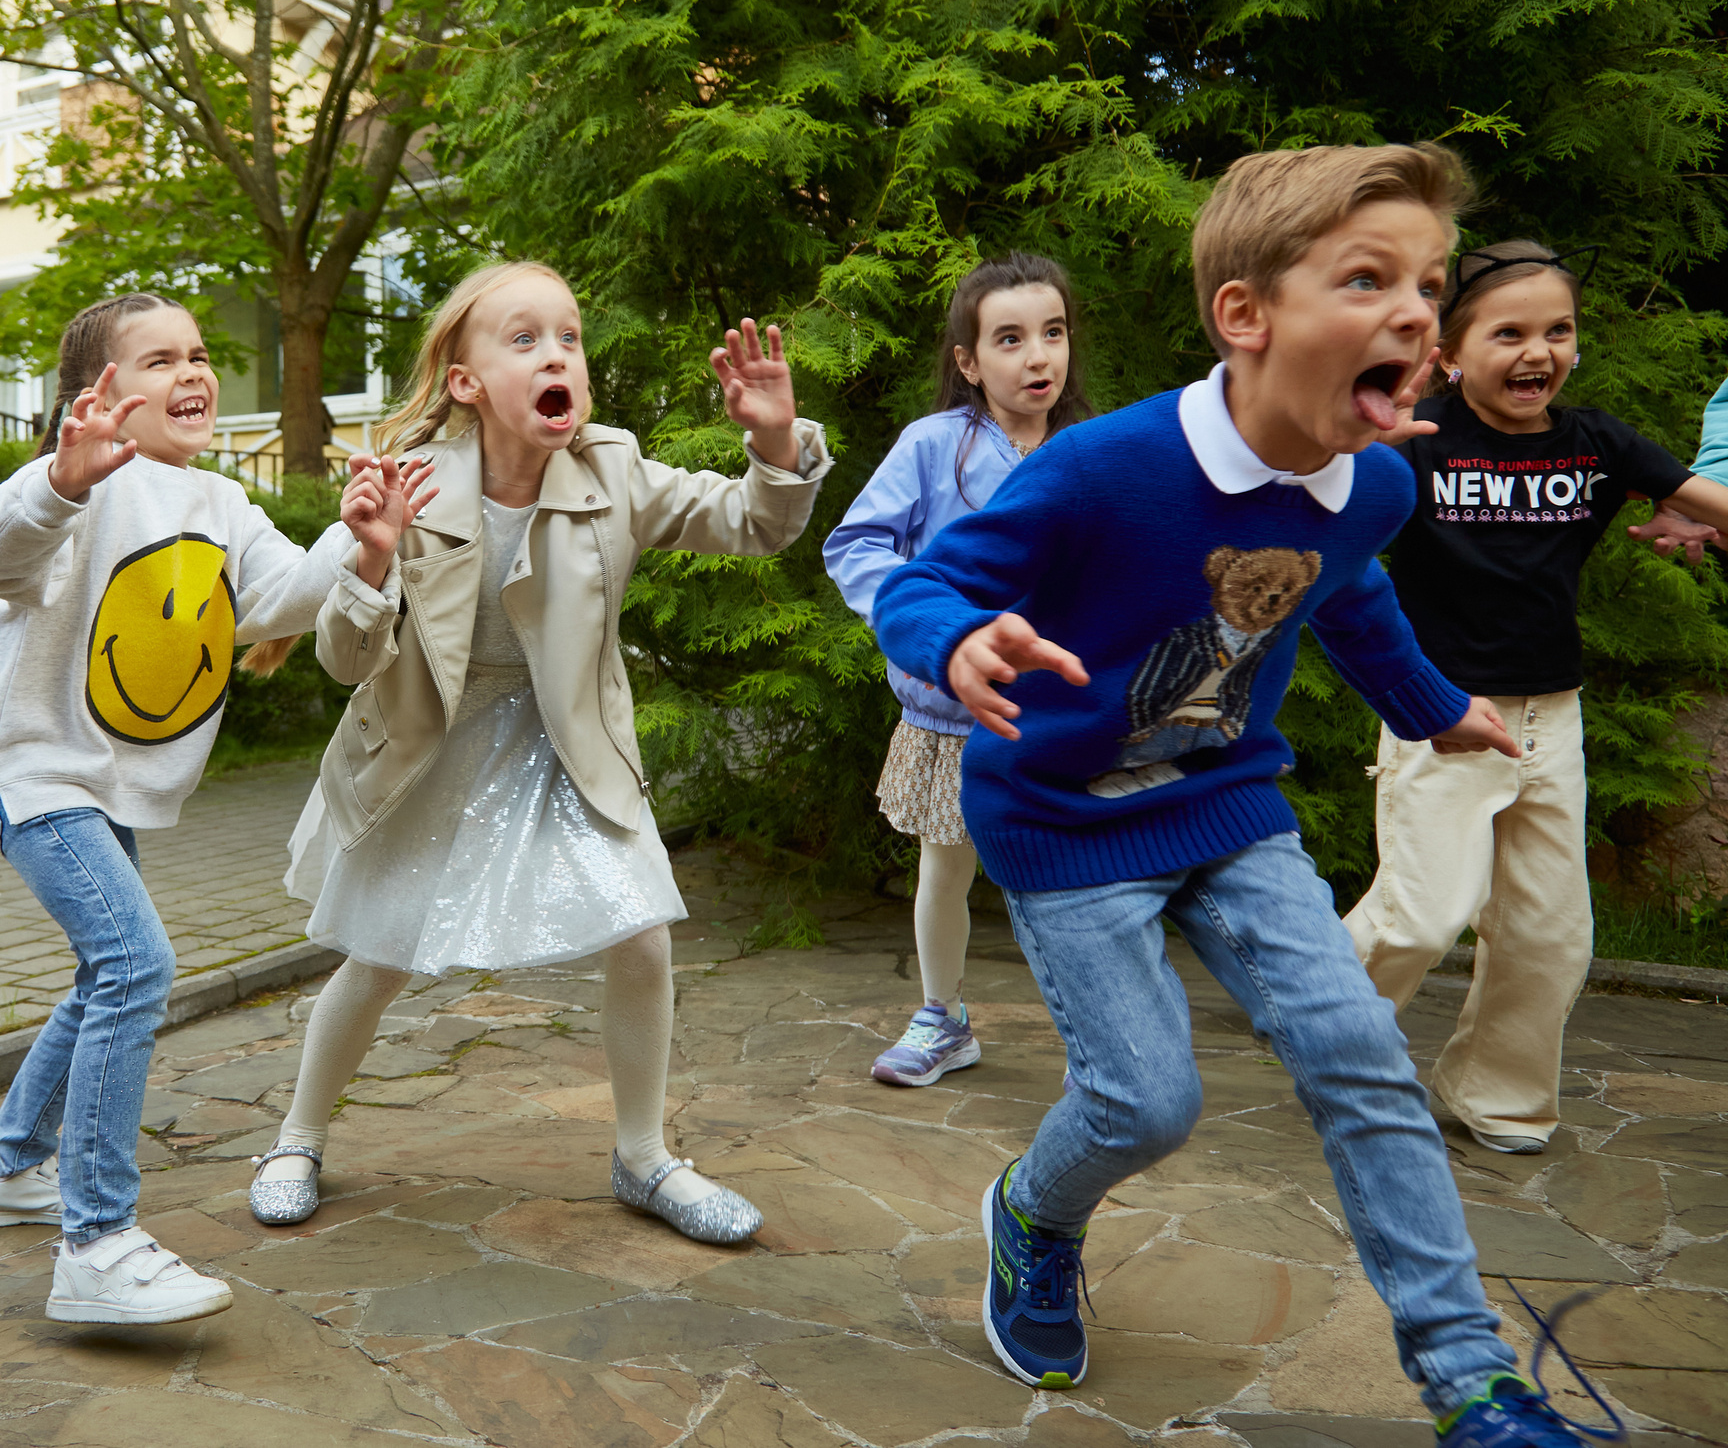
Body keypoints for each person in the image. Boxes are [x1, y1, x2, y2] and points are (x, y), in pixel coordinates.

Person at [879, 143, 1597, 1447]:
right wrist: (956, 637)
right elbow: (929, 578)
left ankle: (1470, 1374)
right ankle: (1035, 1209)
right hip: (1067, 820)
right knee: (1147, 1099)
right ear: (1247, 316)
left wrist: (1437, 709)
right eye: (1368, 276)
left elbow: (1355, 596)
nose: (1417, 312)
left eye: (1429, 284)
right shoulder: (1105, 466)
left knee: (1362, 1056)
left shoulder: (1374, 481)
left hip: (1230, 809)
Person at [248, 260, 830, 1247]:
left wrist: (773, 441)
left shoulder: (613, 467)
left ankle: (644, 1158)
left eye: (567, 336)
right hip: (426, 746)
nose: (556, 352)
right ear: (467, 382)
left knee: (641, 933)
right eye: (523, 339)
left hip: (566, 742)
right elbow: (348, 660)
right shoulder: (413, 483)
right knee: (376, 955)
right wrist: (374, 556)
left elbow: (754, 524)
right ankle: (295, 1140)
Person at [0, 291, 385, 1324]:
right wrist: (60, 478)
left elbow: (278, 597)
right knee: (135, 965)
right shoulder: (76, 485)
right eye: (157, 360)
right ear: (98, 395)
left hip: (110, 785)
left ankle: (9, 1171)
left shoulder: (221, 505)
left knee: (107, 971)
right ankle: (94, 1244)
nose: (191, 372)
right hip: (34, 772)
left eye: (197, 354)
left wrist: (361, 538)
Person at [1345, 239, 1728, 1153]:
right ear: (1450, 350)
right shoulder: (1417, 439)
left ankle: (1500, 1100)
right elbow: (1315, 513)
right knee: (1424, 912)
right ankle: (1316, 1023)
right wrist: (1356, 447)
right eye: (1508, 332)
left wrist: (1694, 514)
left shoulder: (1598, 443)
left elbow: (1705, 502)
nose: (1537, 351)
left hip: (1552, 717)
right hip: (1440, 713)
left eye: (1557, 331)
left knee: (1550, 934)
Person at [824, 253, 1093, 1085]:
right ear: (969, 362)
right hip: (951, 709)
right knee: (945, 864)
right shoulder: (933, 446)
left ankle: (1103, 1034)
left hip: (1061, 717)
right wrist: (929, 629)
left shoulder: (1090, 452)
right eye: (1009, 339)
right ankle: (943, 1017)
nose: (1037, 356)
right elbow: (857, 544)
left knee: (1073, 876)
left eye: (1052, 333)